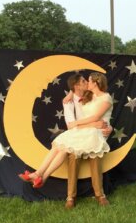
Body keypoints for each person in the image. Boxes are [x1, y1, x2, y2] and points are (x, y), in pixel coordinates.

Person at [18, 72, 113, 209]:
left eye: (89, 81)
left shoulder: (104, 97)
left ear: (96, 83)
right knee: (60, 147)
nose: (86, 82)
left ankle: (100, 195)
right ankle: (41, 176)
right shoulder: (81, 98)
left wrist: (80, 124)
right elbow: (78, 122)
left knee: (71, 150)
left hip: (95, 133)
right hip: (84, 131)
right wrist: (80, 123)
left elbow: (98, 118)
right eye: (84, 81)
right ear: (77, 86)